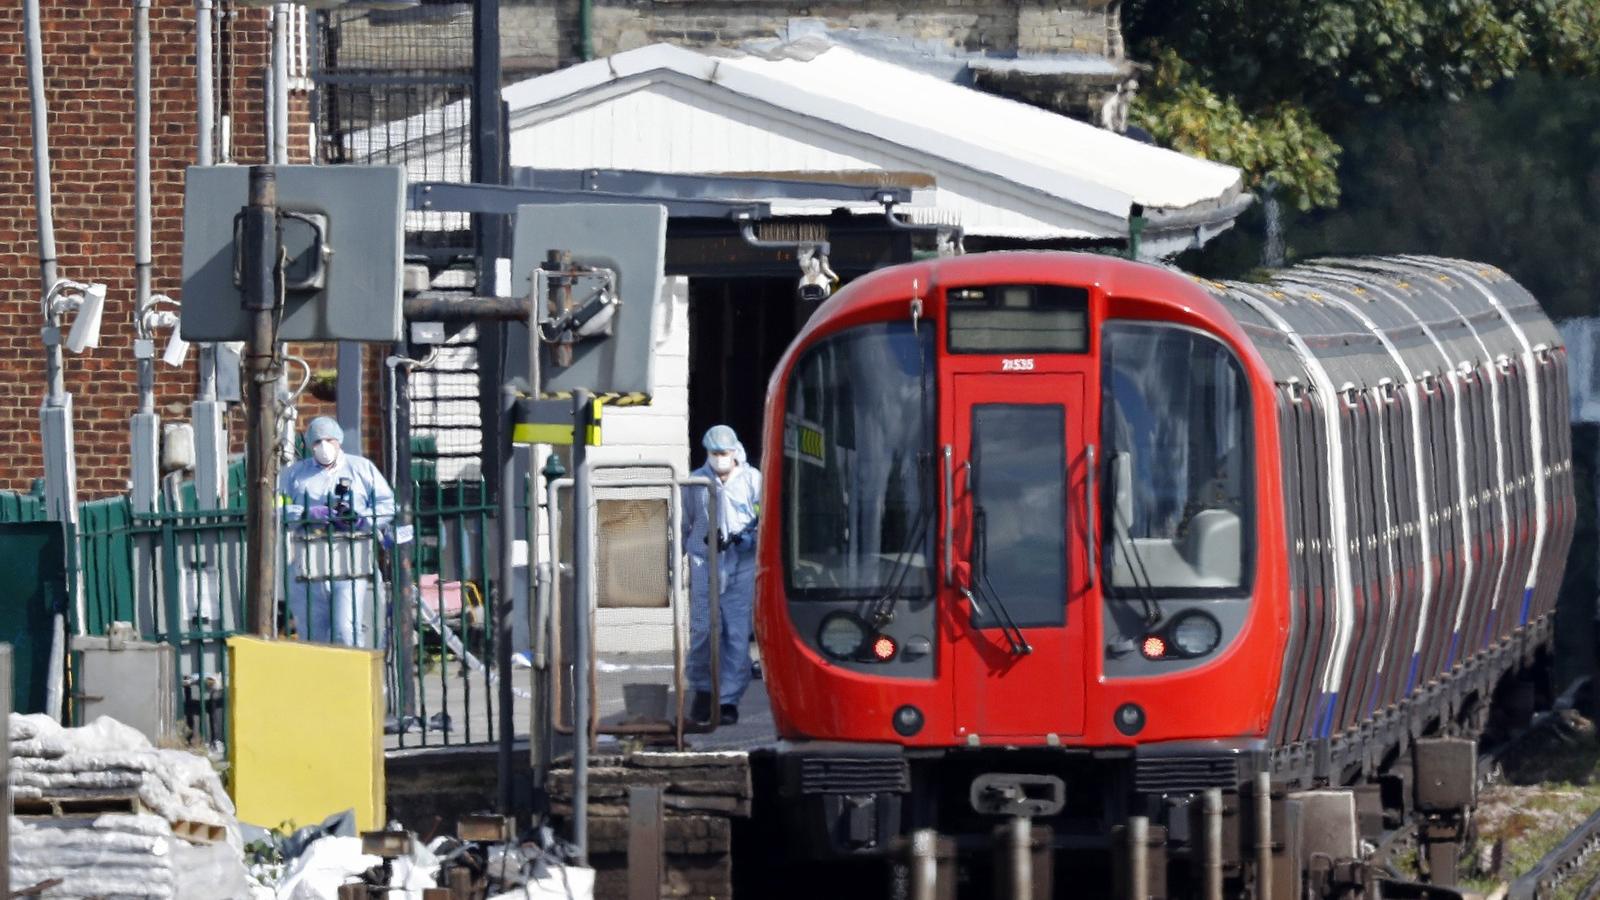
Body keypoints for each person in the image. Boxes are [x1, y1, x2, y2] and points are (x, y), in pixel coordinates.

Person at [279, 416, 396, 647]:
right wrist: (307, 513)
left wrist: (363, 520)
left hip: (352, 556)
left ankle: (352, 680)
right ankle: (318, 682)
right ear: (309, 444)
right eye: (317, 442)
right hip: (309, 558)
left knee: (346, 629)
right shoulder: (295, 474)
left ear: (339, 440)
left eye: (329, 439)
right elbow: (275, 509)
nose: (324, 446)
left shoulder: (361, 468)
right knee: (313, 632)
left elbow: (387, 505)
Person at [681, 424, 762, 726]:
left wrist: (748, 539)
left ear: (734, 452)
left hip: (741, 565)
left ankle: (728, 700)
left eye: (723, 453)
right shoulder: (695, 483)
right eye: (714, 453)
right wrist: (674, 563)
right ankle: (702, 691)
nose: (719, 458)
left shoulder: (752, 481)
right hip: (705, 563)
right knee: (703, 630)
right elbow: (682, 523)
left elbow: (763, 517)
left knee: (736, 635)